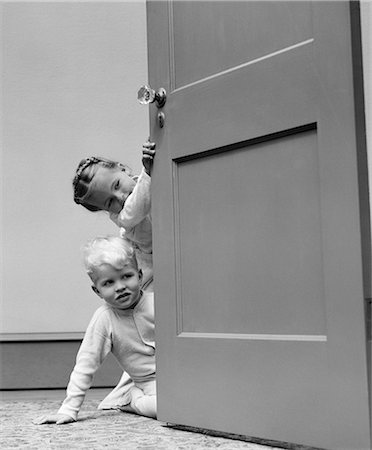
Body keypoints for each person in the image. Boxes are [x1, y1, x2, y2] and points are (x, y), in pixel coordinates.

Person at [34, 236, 156, 425]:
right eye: (109, 283)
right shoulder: (104, 319)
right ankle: (131, 398)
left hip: (181, 375)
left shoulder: (159, 302)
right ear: (97, 290)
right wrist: (69, 409)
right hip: (149, 385)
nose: (120, 287)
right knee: (171, 408)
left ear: (140, 276)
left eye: (127, 276)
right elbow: (85, 365)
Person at [72, 140, 155, 292]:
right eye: (110, 202)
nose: (121, 196)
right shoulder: (125, 218)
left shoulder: (145, 183)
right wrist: (147, 170)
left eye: (117, 185)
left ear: (122, 169)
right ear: (105, 209)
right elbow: (139, 206)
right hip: (151, 279)